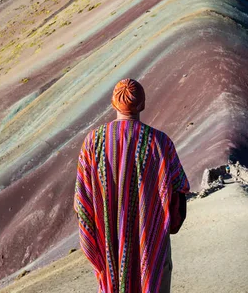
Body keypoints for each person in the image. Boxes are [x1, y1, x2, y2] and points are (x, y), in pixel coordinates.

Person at [74, 78, 190, 293]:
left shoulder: (93, 142)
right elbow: (179, 191)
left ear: (113, 104)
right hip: (152, 245)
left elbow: (83, 200)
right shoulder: (160, 142)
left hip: (110, 245)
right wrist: (168, 225)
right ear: (143, 104)